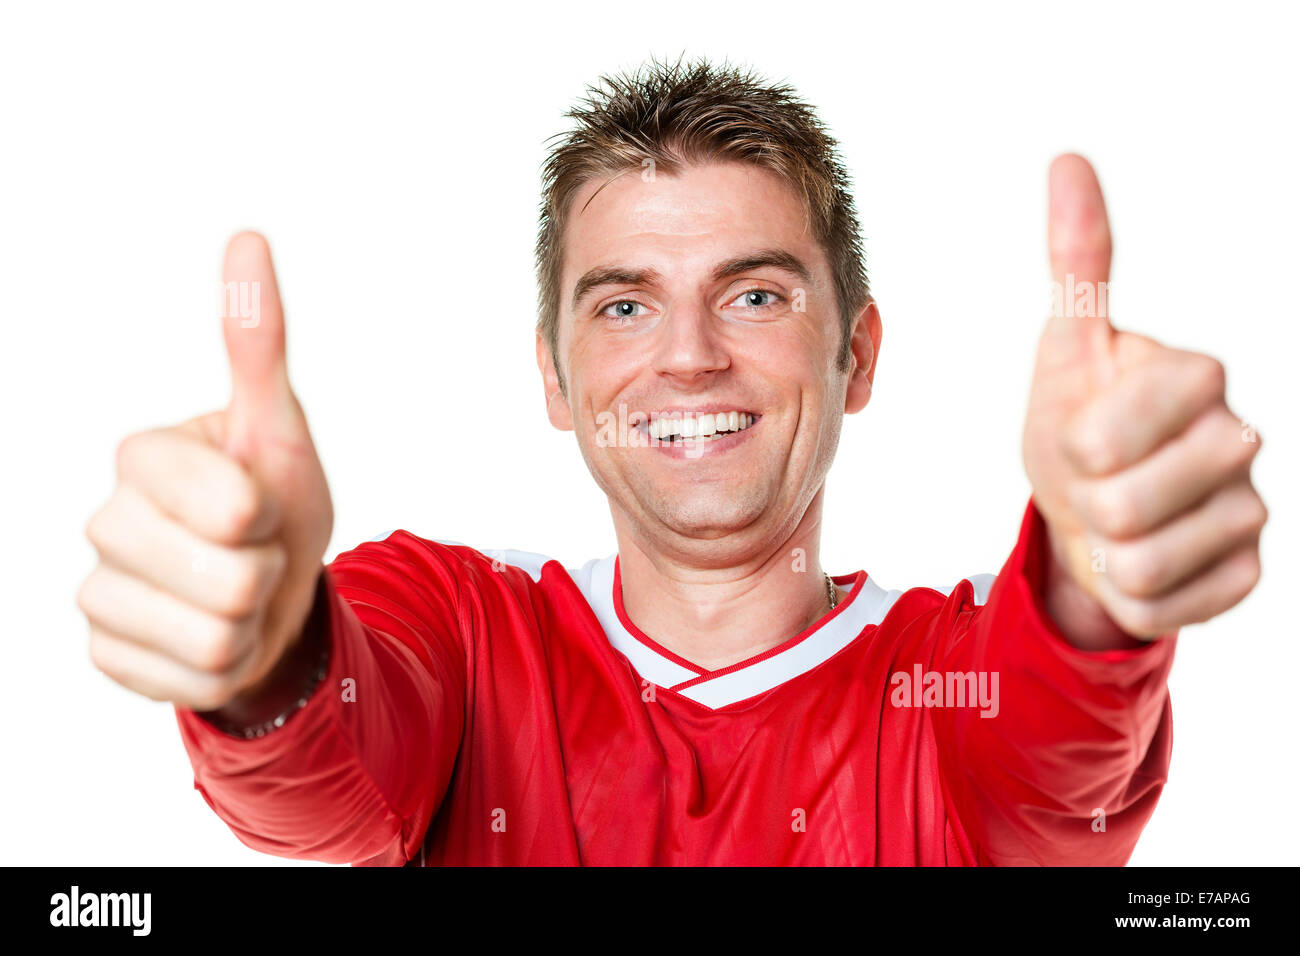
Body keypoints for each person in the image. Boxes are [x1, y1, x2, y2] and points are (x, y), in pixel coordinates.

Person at [77, 58, 1266, 865]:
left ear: (856, 354)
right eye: (624, 307)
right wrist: (259, 650)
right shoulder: (453, 625)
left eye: (753, 293)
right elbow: (329, 773)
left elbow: (1055, 740)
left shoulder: (946, 687)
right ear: (553, 377)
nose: (690, 358)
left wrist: (1097, 570)